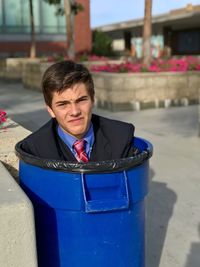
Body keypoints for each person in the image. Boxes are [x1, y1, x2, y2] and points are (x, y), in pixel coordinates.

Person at [20, 60, 136, 162]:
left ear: (93, 100)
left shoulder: (121, 137)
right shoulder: (34, 149)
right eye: (63, 104)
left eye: (81, 100)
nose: (75, 112)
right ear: (50, 110)